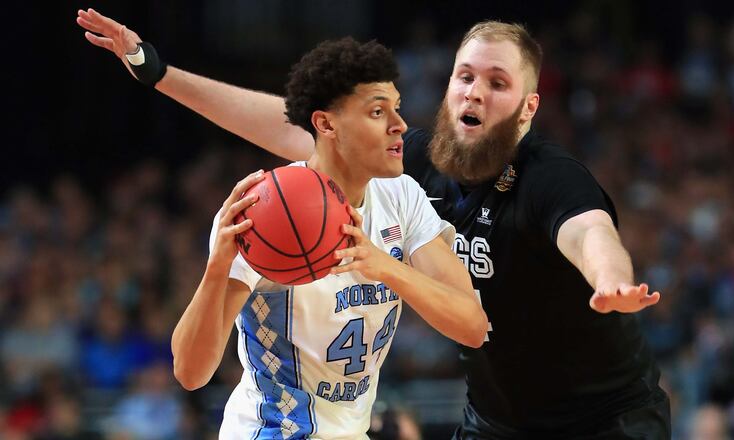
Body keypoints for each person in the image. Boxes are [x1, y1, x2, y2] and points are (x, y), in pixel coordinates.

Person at [77, 8, 669, 439]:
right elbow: (285, 123)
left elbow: (589, 231)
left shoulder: (533, 176)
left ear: (528, 107)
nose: (475, 92)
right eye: (465, 76)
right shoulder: (355, 182)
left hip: (602, 414)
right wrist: (156, 71)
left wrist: (609, 280)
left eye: (497, 83)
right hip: (489, 418)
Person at [117, 34, 486, 438]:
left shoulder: (401, 196)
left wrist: (386, 268)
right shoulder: (266, 212)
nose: (400, 125)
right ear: (326, 123)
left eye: (396, 108)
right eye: (378, 111)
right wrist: (217, 268)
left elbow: (471, 325)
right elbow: (190, 373)